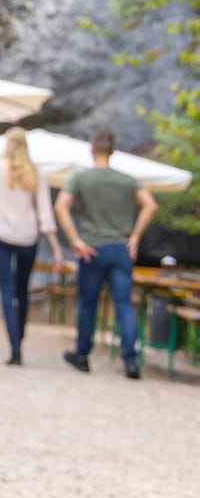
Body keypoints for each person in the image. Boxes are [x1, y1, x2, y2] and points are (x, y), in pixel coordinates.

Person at [56, 130, 160, 379]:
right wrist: (135, 236)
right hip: (121, 249)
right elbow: (151, 205)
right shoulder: (126, 180)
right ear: (113, 151)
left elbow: (61, 206)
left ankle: (82, 355)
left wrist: (75, 240)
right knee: (124, 304)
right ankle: (130, 360)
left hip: (92, 248)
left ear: (92, 149)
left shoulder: (82, 178)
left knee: (88, 303)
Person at [0, 127, 62, 365]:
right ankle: (20, 339)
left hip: (0, 232)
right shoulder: (36, 173)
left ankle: (14, 345)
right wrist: (55, 247)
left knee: (6, 288)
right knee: (21, 289)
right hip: (28, 236)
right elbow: (45, 213)